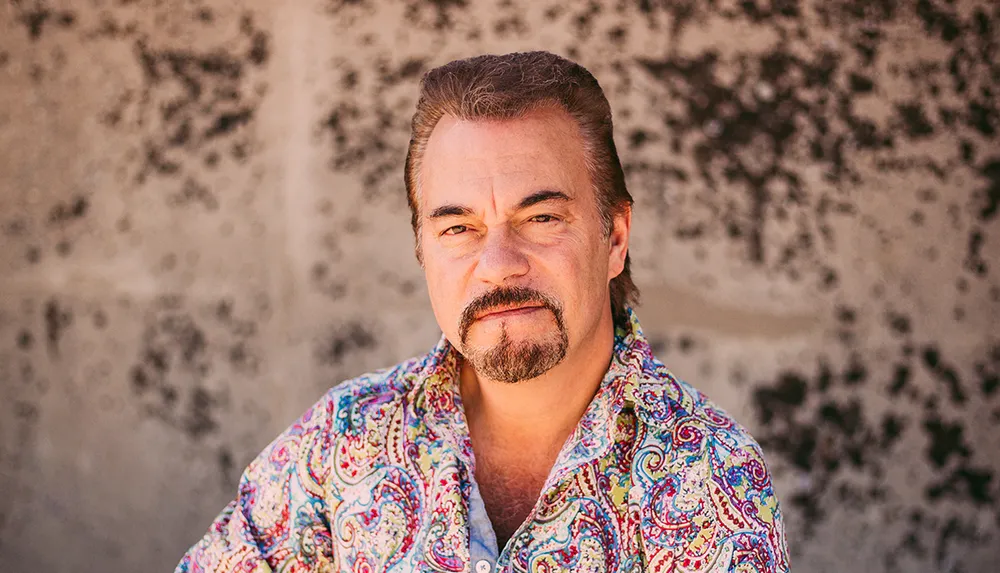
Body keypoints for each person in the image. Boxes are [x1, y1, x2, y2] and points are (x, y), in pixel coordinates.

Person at [176, 51, 789, 573]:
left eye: (541, 218)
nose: (498, 263)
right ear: (422, 251)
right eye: (459, 227)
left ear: (616, 238)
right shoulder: (343, 443)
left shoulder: (710, 478)